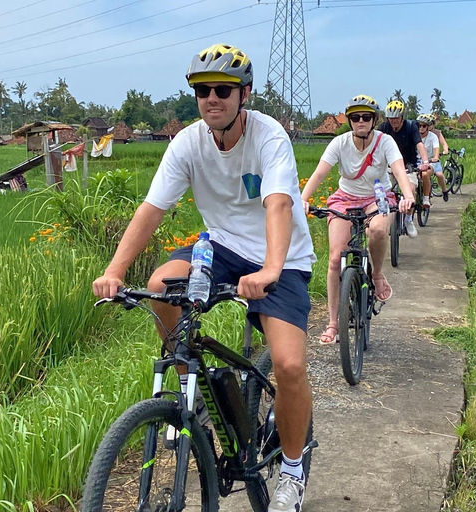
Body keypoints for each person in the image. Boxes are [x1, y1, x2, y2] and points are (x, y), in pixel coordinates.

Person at [92, 44, 316, 512]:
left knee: (290, 366)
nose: (211, 98)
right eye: (202, 90)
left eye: (222, 90)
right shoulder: (187, 143)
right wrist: (113, 271)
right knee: (159, 287)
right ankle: (188, 396)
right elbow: (152, 210)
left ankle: (293, 472)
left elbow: (278, 203)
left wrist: (272, 269)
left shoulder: (269, 137)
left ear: (244, 94)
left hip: (283, 256)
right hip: (221, 246)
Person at [300, 95, 415, 345]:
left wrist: (407, 196)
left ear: (374, 120)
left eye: (365, 117)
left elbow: (398, 169)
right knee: (334, 259)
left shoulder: (385, 142)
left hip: (378, 195)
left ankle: (377, 275)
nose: (360, 121)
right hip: (345, 197)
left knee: (377, 230)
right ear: (349, 120)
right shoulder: (339, 143)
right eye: (355, 117)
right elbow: (320, 172)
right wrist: (303, 199)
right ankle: (333, 323)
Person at [377, 100, 431, 237]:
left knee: (410, 189)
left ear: (402, 117)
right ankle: (383, 219)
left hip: (408, 167)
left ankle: (408, 220)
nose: (393, 121)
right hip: (388, 167)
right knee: (380, 192)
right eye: (391, 118)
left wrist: (425, 161)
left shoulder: (411, 126)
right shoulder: (383, 127)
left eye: (396, 118)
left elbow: (419, 144)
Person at [417, 113, 449, 202]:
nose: (421, 128)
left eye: (424, 126)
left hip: (431, 160)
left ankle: (444, 190)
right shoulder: (414, 135)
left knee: (439, 174)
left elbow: (439, 146)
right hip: (418, 160)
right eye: (419, 125)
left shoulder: (435, 135)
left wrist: (436, 156)